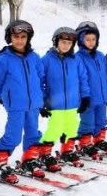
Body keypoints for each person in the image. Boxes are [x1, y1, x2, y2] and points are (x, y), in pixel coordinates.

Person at [0, 21, 43, 184]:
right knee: (14, 135)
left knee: (33, 132)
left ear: (28, 38)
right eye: (16, 37)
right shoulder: (4, 59)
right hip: (16, 105)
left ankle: (29, 160)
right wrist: (5, 97)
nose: (19, 40)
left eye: (23, 37)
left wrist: (40, 97)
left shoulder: (34, 57)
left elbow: (40, 78)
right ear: (9, 38)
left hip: (33, 105)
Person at [39, 27, 91, 172]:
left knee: (71, 128)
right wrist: (42, 102)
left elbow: (83, 79)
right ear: (56, 41)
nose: (66, 45)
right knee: (54, 129)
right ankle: (45, 153)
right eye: (63, 42)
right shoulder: (46, 60)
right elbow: (39, 82)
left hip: (73, 103)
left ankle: (67, 151)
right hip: (55, 104)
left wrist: (85, 97)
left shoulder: (76, 60)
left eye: (69, 43)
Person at [75, 22, 107, 158]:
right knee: (88, 121)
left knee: (101, 120)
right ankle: (85, 143)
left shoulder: (100, 56)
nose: (91, 42)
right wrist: (83, 97)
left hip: (102, 96)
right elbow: (81, 80)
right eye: (87, 40)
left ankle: (99, 140)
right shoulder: (78, 58)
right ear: (80, 40)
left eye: (93, 39)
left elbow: (104, 75)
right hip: (88, 98)